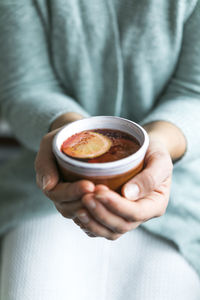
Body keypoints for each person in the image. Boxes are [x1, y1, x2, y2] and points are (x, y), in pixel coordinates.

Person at [0, 1, 200, 299]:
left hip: (178, 187)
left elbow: (194, 91)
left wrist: (158, 148)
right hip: (45, 185)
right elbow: (26, 86)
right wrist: (70, 136)